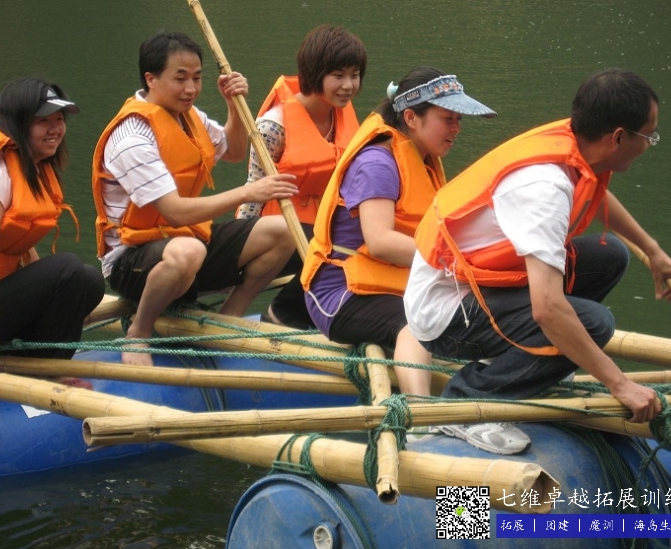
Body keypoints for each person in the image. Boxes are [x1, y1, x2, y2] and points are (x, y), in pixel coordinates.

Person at [406, 68, 671, 455]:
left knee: (610, 256)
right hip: (446, 310)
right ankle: (464, 403)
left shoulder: (575, 144)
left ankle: (533, 364)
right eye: (648, 136)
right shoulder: (545, 187)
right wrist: (620, 384)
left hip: (477, 285)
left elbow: (594, 193)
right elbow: (548, 309)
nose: (649, 145)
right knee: (594, 323)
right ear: (618, 138)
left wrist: (653, 251)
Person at [92, 30, 298, 366]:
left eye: (197, 78)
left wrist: (233, 105)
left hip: (186, 241)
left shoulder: (189, 116)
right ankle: (139, 332)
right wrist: (248, 192)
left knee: (282, 230)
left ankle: (227, 320)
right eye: (180, 78)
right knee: (188, 251)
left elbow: (233, 152)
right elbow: (173, 211)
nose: (191, 88)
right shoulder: (131, 136)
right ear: (151, 78)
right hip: (133, 261)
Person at [300, 67, 496, 398]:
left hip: (393, 281)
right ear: (411, 118)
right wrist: (456, 264)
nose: (456, 128)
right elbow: (379, 242)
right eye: (447, 118)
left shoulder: (422, 158)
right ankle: (419, 410)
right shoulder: (378, 162)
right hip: (341, 291)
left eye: (458, 120)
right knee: (415, 322)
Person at [0, 78, 106, 389]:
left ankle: (41, 362)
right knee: (68, 269)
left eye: (59, 119)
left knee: (88, 281)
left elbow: (18, 242)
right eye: (43, 121)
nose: (55, 129)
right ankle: (44, 372)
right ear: (19, 123)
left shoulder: (34, 166)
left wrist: (62, 300)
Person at [236, 24, 367, 329]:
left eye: (355, 75)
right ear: (314, 73)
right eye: (338, 76)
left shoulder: (341, 114)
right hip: (278, 234)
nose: (348, 85)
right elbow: (253, 189)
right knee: (338, 246)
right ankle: (282, 314)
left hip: (319, 227)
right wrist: (239, 251)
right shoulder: (273, 126)